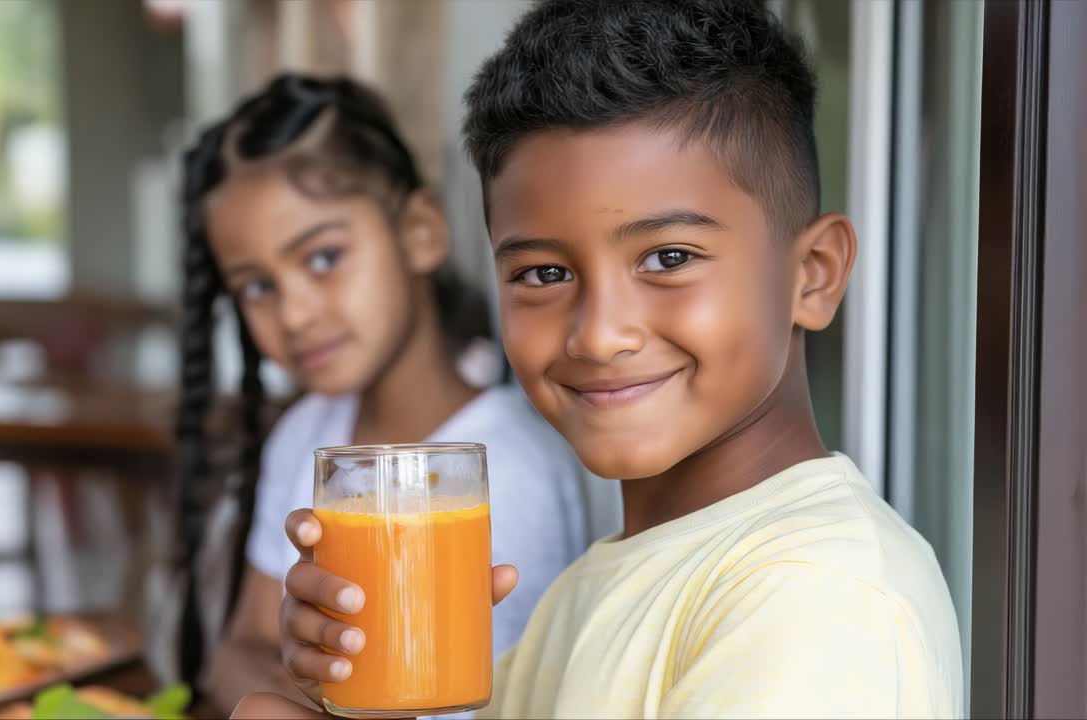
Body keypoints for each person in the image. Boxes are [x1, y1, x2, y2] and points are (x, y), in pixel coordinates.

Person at [237, 1, 965, 718]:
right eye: (544, 275)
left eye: (669, 257)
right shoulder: (586, 595)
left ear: (813, 274)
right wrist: (360, 697)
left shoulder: (819, 601)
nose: (598, 334)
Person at [176, 73, 593, 715]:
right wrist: (312, 687)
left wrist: (295, 693)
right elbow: (239, 650)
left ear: (419, 231)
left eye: (322, 258)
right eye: (257, 286)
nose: (294, 314)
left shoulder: (507, 467)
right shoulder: (308, 434)